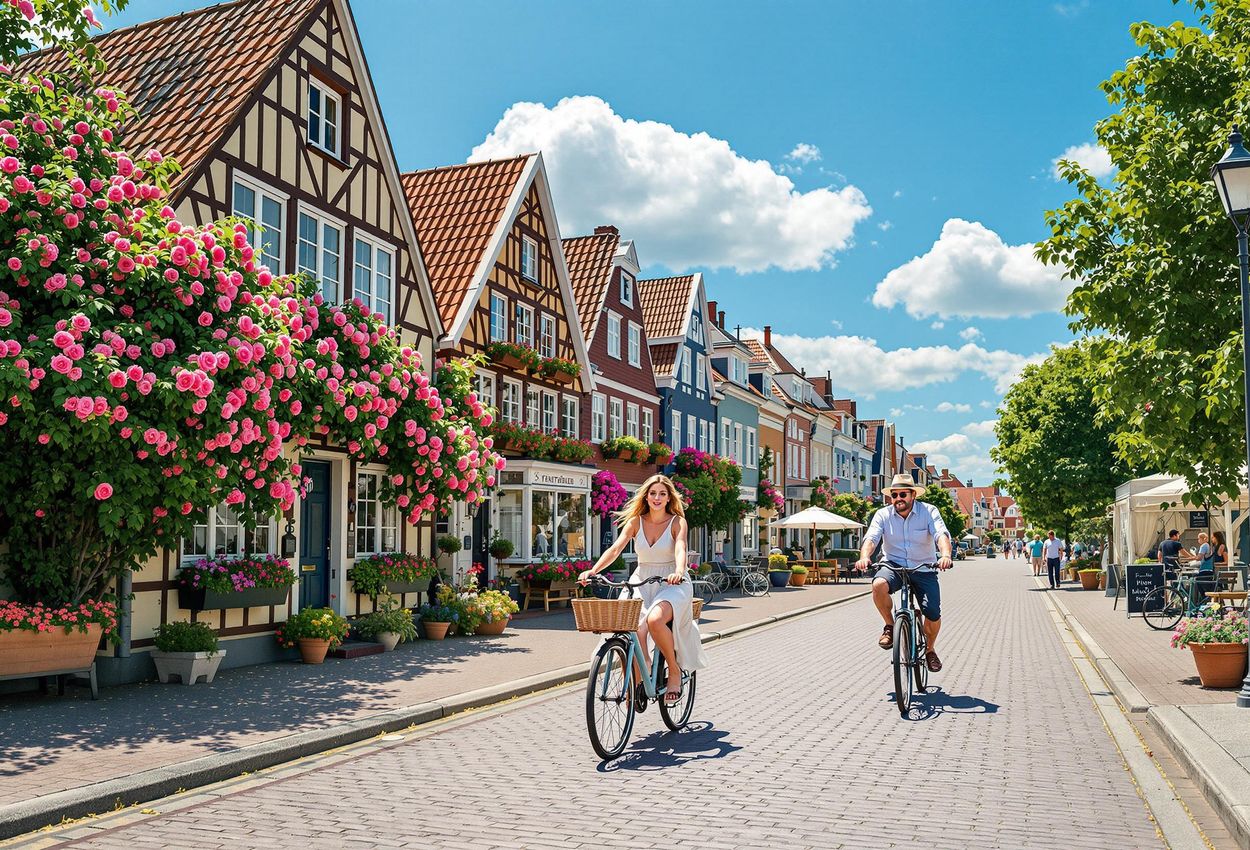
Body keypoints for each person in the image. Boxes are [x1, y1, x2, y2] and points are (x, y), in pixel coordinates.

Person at [578, 473, 709, 705]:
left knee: (655, 620)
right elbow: (616, 549)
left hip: (672, 583)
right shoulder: (636, 522)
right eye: (653, 493)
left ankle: (675, 669)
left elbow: (680, 547)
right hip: (642, 580)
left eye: (662, 494)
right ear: (646, 497)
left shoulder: (677, 521)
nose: (657, 498)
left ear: (669, 498)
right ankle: (641, 674)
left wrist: (679, 570)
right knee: (633, 629)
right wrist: (593, 571)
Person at [855, 473, 953, 672]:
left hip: (924, 568)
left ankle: (930, 650)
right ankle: (890, 626)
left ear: (913, 495)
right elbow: (871, 538)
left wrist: (945, 555)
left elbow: (940, 534)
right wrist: (864, 556)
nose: (898, 499)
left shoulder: (928, 511)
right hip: (893, 565)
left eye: (903, 494)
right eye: (894, 495)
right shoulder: (883, 515)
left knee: (932, 612)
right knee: (878, 585)